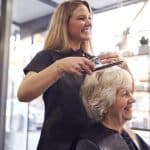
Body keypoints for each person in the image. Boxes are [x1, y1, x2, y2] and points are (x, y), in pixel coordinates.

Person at [17, 0, 130, 150]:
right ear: (65, 23)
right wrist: (60, 67)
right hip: (56, 145)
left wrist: (120, 66)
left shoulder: (93, 61)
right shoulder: (48, 57)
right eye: (82, 18)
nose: (89, 23)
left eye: (90, 18)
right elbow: (23, 94)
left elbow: (111, 103)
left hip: (89, 145)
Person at [74, 66, 150, 150]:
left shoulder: (132, 136)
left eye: (131, 92)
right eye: (125, 94)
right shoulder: (88, 144)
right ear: (103, 103)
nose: (133, 100)